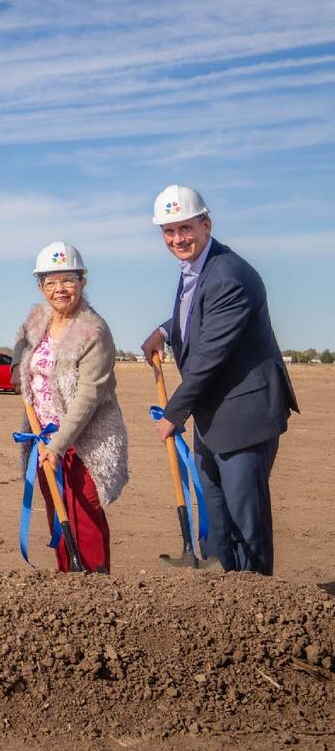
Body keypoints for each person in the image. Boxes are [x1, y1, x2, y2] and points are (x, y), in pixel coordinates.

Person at [140, 185, 297, 575]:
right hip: (214, 414)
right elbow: (196, 315)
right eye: (169, 231)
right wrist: (164, 330)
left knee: (247, 522)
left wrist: (174, 413)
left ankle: (256, 600)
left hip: (244, 414)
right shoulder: (198, 266)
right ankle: (221, 593)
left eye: (186, 228)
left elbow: (210, 355)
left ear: (205, 224)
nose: (178, 239)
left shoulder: (228, 275)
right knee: (215, 513)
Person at [11, 242, 128, 573]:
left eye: (67, 280)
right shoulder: (39, 320)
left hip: (83, 442)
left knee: (83, 512)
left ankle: (95, 588)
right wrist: (16, 368)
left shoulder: (94, 330)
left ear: (82, 282)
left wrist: (59, 445)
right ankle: (68, 583)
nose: (59, 289)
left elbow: (88, 396)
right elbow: (23, 341)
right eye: (50, 282)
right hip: (42, 436)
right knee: (57, 512)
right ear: (41, 287)